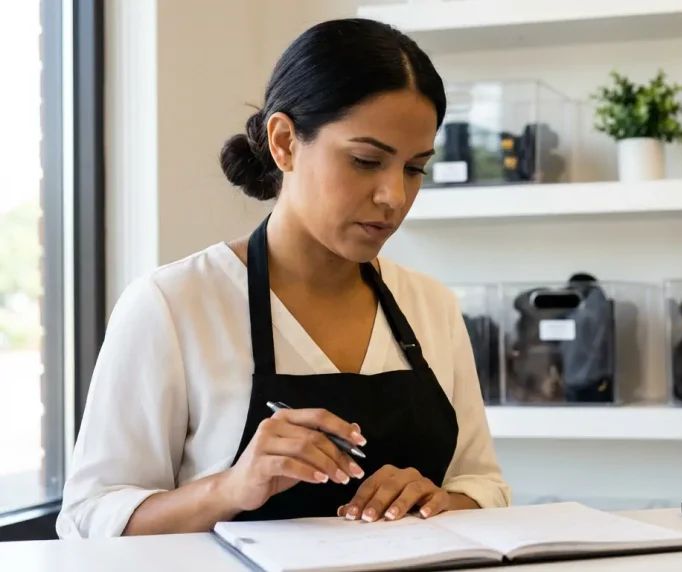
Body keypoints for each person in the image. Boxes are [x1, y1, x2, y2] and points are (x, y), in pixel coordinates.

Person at [56, 18, 511, 538]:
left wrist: (443, 500)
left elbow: (484, 485)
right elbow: (88, 518)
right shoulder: (171, 304)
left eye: (414, 168)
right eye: (366, 161)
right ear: (284, 142)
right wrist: (230, 488)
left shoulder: (431, 305)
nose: (394, 197)